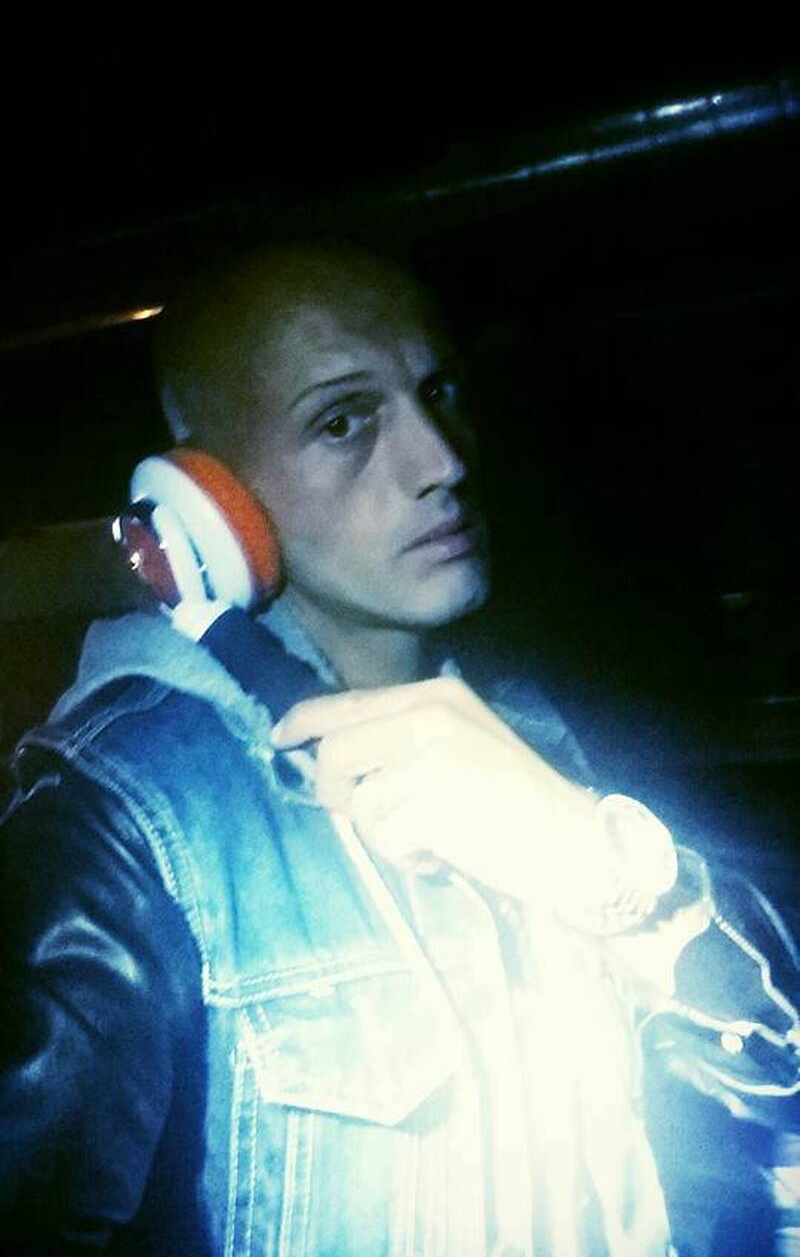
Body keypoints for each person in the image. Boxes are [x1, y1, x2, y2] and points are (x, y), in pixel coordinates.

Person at [1, 242, 798, 1256]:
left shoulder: (535, 736)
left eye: (441, 393)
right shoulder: (123, 813)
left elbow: (771, 1078)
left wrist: (599, 863)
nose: (443, 462)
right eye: (343, 421)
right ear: (209, 501)